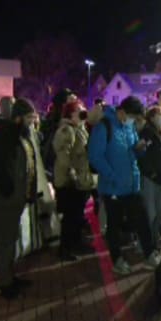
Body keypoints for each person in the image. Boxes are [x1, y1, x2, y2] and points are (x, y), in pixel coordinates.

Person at [88, 96, 161, 275]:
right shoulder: (104, 126)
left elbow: (131, 152)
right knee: (114, 225)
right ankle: (117, 260)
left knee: (142, 220)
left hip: (132, 185)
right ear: (122, 112)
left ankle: (150, 253)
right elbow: (95, 156)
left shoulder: (128, 126)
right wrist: (112, 175)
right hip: (113, 187)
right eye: (132, 117)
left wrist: (139, 149)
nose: (133, 122)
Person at [0, 99, 38, 299]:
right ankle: (4, 284)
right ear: (18, 118)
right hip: (4, 200)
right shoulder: (5, 136)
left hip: (13, 198)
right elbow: (0, 169)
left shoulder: (19, 135)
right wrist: (9, 192)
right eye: (29, 118)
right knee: (4, 241)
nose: (32, 122)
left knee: (10, 239)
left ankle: (9, 276)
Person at [52, 100, 96, 261]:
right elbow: (64, 155)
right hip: (69, 181)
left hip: (80, 178)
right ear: (71, 114)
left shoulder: (80, 129)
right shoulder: (67, 130)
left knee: (77, 214)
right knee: (70, 216)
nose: (84, 112)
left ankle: (76, 243)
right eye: (80, 110)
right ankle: (65, 248)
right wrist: (72, 175)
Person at [138, 106, 161, 247]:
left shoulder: (157, 132)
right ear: (151, 117)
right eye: (159, 115)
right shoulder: (147, 132)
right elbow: (143, 156)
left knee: (158, 212)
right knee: (150, 213)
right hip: (150, 178)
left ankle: (153, 241)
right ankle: (144, 244)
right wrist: (151, 172)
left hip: (157, 177)